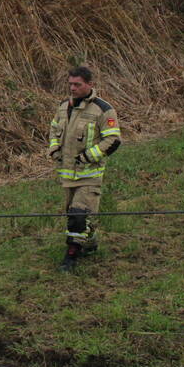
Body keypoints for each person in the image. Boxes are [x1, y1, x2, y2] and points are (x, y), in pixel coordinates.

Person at [47, 67, 122, 272]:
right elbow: (53, 129)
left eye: (77, 84)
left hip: (90, 175)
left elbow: (113, 140)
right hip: (67, 176)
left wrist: (89, 156)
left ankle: (70, 257)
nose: (72, 88)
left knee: (78, 216)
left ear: (90, 84)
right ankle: (90, 242)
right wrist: (54, 148)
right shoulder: (63, 107)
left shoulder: (103, 109)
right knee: (75, 216)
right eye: (70, 84)